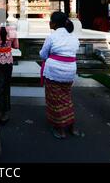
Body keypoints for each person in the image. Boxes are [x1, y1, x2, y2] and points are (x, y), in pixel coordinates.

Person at [40, 11, 82, 139]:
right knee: (66, 98)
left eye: (51, 20)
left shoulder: (52, 37)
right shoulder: (73, 37)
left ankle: (61, 129)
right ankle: (72, 125)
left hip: (54, 72)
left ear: (53, 23)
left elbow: (43, 54)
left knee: (55, 100)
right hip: (69, 71)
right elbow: (75, 51)